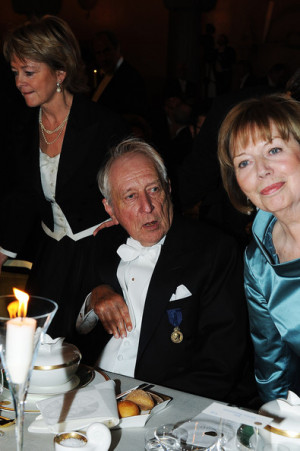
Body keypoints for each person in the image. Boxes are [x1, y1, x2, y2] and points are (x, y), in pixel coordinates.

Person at [76, 137, 257, 406]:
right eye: (130, 196)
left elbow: (220, 364)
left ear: (169, 188)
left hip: (164, 401)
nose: (147, 206)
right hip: (92, 388)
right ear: (110, 209)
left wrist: (144, 403)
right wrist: (94, 298)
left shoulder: (214, 251)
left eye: (154, 190)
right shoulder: (104, 243)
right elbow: (73, 326)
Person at [0, 16, 128, 341]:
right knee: (41, 347)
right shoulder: (20, 126)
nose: (18, 82)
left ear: (60, 72)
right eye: (15, 72)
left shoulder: (104, 126)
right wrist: (2, 255)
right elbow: (21, 199)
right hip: (51, 257)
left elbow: (132, 196)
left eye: (28, 72)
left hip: (102, 255)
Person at [218, 94, 300, 402]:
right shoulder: (258, 262)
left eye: (274, 150)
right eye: (244, 162)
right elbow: (273, 367)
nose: (261, 170)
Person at [91, 30, 147, 118]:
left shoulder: (130, 77)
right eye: (98, 53)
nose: (103, 58)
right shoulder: (102, 74)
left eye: (107, 51)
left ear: (117, 48)